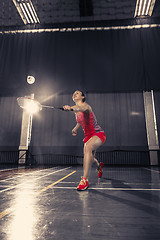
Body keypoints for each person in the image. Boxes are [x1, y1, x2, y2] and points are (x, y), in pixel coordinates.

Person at [63, 90, 106, 191]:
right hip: (88, 136)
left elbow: (80, 108)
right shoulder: (76, 113)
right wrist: (75, 129)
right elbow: (80, 122)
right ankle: (99, 166)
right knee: (90, 159)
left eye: (77, 93)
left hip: (97, 134)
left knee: (87, 148)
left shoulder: (86, 106)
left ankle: (84, 180)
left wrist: (70, 108)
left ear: (82, 97)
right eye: (74, 93)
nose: (75, 94)